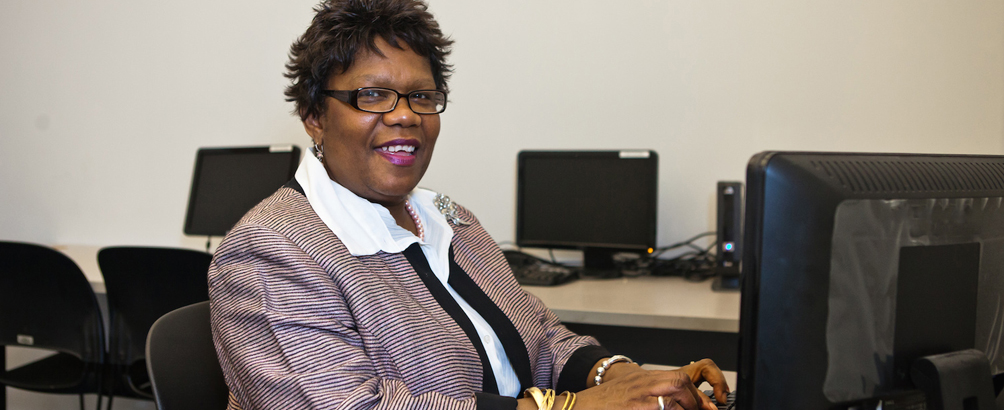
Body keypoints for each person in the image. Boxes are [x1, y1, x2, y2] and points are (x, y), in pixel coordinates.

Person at [208, 0, 730, 409]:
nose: (406, 115)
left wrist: (620, 377)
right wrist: (572, 406)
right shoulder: (267, 251)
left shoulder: (447, 218)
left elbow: (541, 339)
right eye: (373, 96)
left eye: (422, 96)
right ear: (314, 115)